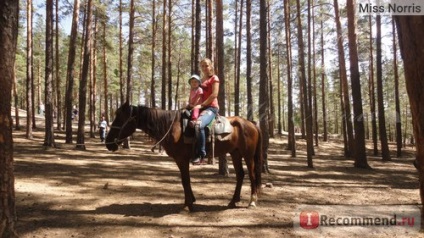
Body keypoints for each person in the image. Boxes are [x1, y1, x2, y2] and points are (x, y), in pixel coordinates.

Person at [191, 58, 220, 165]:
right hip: (200, 107)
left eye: (206, 65)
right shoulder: (201, 80)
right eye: (202, 66)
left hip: (211, 107)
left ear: (211, 66)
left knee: (199, 125)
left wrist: (202, 105)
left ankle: (202, 155)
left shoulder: (214, 78)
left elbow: (214, 95)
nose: (204, 68)